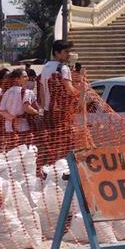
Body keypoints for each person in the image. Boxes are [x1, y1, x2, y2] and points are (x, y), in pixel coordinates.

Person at [38, 40, 81, 173]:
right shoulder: (63, 68)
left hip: (47, 113)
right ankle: (64, 173)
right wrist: (81, 92)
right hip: (62, 113)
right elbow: (69, 89)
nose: (69, 54)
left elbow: (41, 93)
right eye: (66, 52)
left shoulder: (45, 68)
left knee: (50, 143)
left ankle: (50, 172)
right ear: (57, 53)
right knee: (65, 144)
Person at [0, 69, 40, 150]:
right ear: (17, 79)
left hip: (9, 129)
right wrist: (37, 112)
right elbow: (27, 108)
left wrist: (12, 118)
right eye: (24, 77)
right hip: (24, 128)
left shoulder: (7, 92)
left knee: (11, 154)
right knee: (25, 155)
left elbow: (2, 111)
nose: (27, 78)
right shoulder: (27, 92)